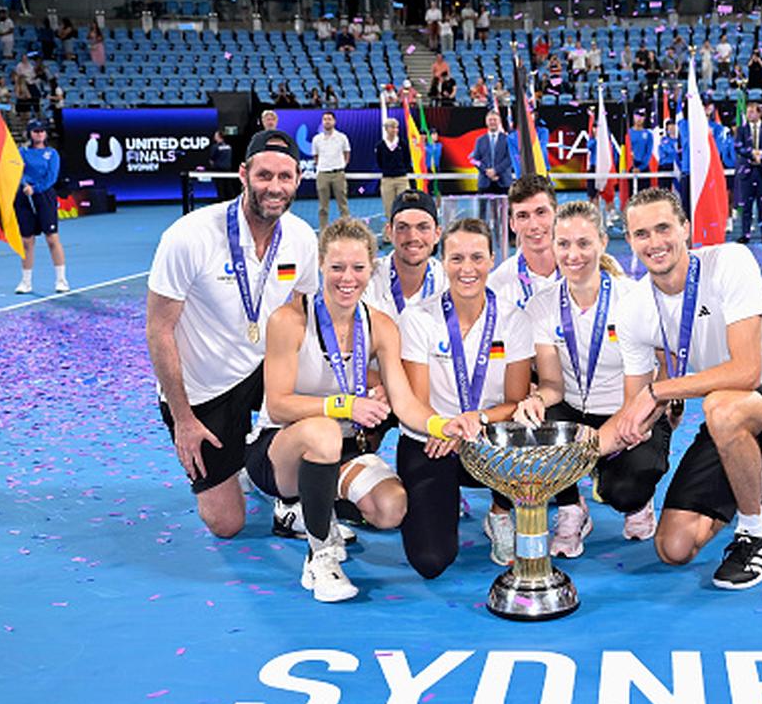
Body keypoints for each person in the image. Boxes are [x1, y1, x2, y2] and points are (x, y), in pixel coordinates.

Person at [613, 187, 762, 590]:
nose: (654, 243)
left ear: (685, 229)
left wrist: (660, 391)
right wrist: (577, 452)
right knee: (673, 547)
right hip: (728, 420)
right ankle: (761, 476)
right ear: (629, 241)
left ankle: (753, 535)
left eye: (663, 228)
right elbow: (633, 409)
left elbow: (747, 371)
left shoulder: (730, 261)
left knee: (723, 407)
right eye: (641, 234)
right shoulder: (633, 308)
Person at [248, 217, 469, 601]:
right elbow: (279, 405)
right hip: (279, 450)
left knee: (390, 508)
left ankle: (311, 507)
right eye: (336, 267)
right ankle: (320, 557)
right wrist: (345, 404)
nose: (346, 278)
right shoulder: (289, 320)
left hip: (342, 452)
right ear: (320, 266)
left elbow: (403, 403)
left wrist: (440, 425)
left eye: (357, 268)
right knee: (324, 430)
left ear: (372, 267)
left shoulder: (381, 326)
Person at [146, 130, 319, 539]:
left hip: (263, 369)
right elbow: (159, 329)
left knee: (321, 400)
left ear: (298, 179)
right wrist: (184, 420)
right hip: (203, 389)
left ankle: (288, 494)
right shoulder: (188, 236)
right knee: (227, 524)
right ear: (243, 175)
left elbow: (303, 312)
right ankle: (238, 456)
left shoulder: (301, 237)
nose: (274, 188)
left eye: (285, 177)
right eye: (264, 176)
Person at [512, 201, 669, 556]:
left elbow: (655, 375)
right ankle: (571, 508)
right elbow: (553, 385)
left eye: (583, 243)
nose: (573, 254)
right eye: (563, 244)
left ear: (602, 242)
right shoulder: (542, 305)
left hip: (630, 408)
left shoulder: (633, 299)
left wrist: (652, 414)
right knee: (535, 428)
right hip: (574, 411)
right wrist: (536, 400)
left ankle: (638, 500)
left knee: (624, 491)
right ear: (552, 247)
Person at [396, 218, 534, 577]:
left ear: (492, 259)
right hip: (432, 440)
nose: (467, 268)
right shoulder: (418, 319)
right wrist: (448, 428)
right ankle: (443, 500)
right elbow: (418, 401)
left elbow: (516, 402)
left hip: (488, 438)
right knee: (431, 560)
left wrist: (477, 419)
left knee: (525, 434)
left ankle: (501, 513)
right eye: (456, 259)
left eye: (477, 257)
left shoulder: (513, 320)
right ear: (443, 262)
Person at [365, 189, 448, 320]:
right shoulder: (367, 278)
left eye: (423, 227)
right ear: (389, 232)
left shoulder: (449, 281)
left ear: (437, 234)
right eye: (402, 227)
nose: (413, 237)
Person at [489, 174, 560, 310]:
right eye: (523, 216)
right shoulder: (496, 286)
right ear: (512, 224)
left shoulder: (583, 273)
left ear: (556, 214)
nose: (533, 225)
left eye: (541, 212)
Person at [13, 119, 68, 294]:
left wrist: (35, 189)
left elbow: (51, 178)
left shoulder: (52, 154)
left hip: (44, 196)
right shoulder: (22, 152)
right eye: (35, 131)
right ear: (29, 133)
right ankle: (26, 282)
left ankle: (61, 280)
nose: (39, 133)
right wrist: (24, 185)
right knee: (27, 241)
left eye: (42, 130)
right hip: (24, 196)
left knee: (52, 238)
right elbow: (17, 171)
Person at [734, 103, 762, 244]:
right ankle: (745, 234)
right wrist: (752, 154)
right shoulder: (741, 130)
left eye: (752, 112)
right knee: (746, 206)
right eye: (748, 112)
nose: (749, 115)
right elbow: (738, 147)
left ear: (759, 113)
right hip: (747, 172)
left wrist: (761, 154)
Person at [313, 110, 351, 229]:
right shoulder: (316, 139)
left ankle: (346, 228)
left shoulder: (342, 137)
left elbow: (347, 153)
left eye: (329, 119)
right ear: (322, 122)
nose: (327, 121)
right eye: (325, 119)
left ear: (334, 121)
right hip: (322, 174)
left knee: (343, 205)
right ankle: (323, 230)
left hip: (338, 174)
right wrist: (322, 167)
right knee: (323, 207)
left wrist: (341, 165)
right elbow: (315, 156)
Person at [469, 109, 512, 194]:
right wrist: (486, 171)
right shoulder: (480, 140)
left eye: (495, 120)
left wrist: (495, 171)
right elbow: (475, 160)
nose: (492, 122)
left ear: (499, 122)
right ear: (486, 122)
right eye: (490, 120)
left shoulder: (507, 139)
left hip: (503, 182)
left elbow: (509, 159)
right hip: (484, 182)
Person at [374, 117, 409, 219]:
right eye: (392, 127)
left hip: (402, 179)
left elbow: (407, 159)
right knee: (389, 209)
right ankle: (390, 233)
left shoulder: (403, 144)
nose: (395, 130)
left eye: (396, 128)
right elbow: (379, 162)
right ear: (386, 129)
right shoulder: (380, 146)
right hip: (387, 180)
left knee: (404, 206)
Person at [209, 130, 240, 201]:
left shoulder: (215, 147)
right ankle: (233, 200)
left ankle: (222, 201)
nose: (214, 137)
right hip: (228, 168)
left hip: (218, 170)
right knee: (229, 186)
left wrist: (213, 166)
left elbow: (212, 159)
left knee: (220, 187)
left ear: (218, 137)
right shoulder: (229, 146)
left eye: (215, 135)